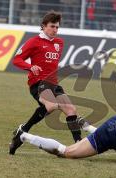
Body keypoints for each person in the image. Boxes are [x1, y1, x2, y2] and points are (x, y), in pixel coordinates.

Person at [9, 11, 83, 155]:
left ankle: (79, 143)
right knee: (50, 106)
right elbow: (16, 60)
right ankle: (23, 130)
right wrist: (31, 67)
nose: (55, 30)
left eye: (57, 27)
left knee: (71, 110)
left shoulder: (59, 43)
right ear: (43, 26)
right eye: (52, 26)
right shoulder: (33, 42)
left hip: (53, 84)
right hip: (38, 83)